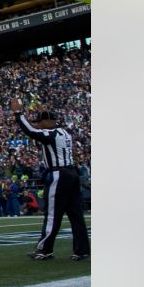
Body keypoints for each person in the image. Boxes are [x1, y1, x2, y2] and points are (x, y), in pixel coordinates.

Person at [13, 98, 90, 261]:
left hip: (59, 175)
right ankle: (81, 250)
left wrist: (18, 113)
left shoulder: (51, 133)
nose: (38, 125)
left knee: (52, 214)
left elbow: (30, 131)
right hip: (71, 174)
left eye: (40, 122)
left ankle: (45, 250)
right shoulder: (65, 133)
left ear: (49, 121)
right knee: (76, 215)